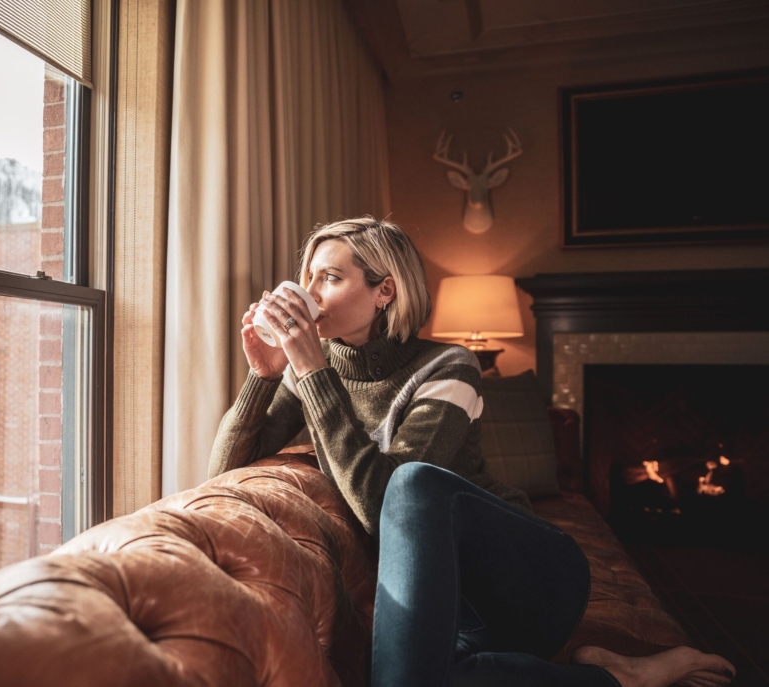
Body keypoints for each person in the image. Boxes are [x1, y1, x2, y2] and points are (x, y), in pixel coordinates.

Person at [208, 216, 736, 687]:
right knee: (417, 679)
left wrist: (311, 370)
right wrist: (263, 375)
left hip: (525, 581)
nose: (311, 293)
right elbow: (221, 475)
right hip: (447, 604)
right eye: (309, 278)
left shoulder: (449, 367)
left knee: (412, 481)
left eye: (330, 277)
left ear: (384, 291)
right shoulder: (313, 372)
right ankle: (621, 677)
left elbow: (383, 506)